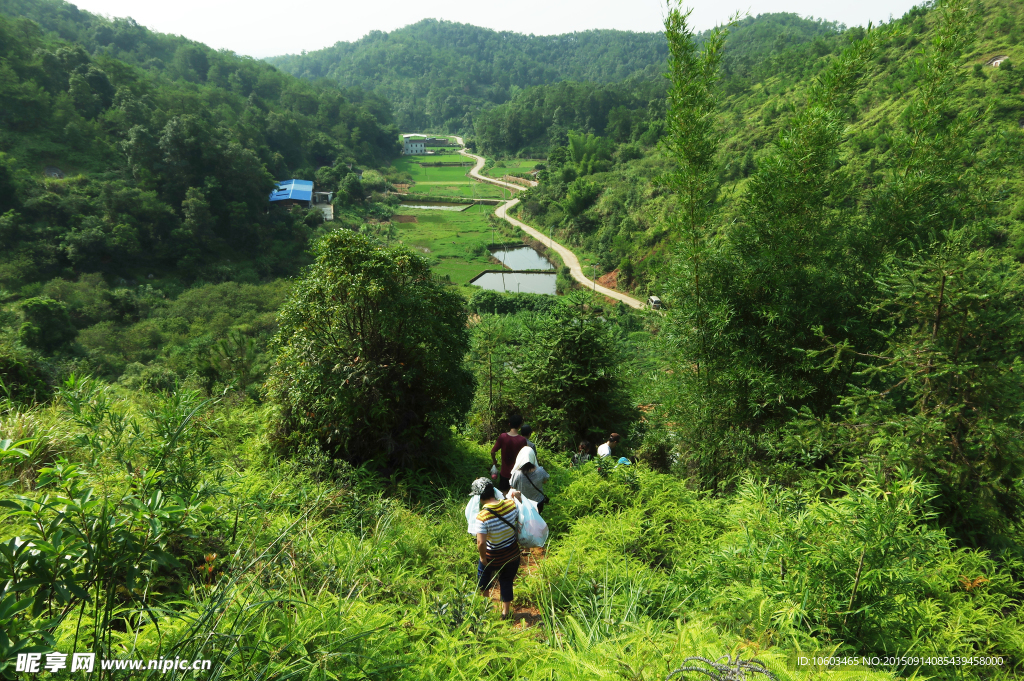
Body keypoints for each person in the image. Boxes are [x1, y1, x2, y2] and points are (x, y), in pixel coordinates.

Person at [469, 477, 522, 619]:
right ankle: (505, 612)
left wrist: (482, 557)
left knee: (484, 578)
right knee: (506, 580)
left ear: (479, 497)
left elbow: (481, 543)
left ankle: (487, 608)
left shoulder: (482, 516)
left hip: (493, 556)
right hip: (512, 553)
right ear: (493, 492)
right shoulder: (511, 505)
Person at [510, 435, 549, 511]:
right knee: (537, 521)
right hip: (538, 503)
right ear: (533, 456)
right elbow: (545, 481)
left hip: (522, 503)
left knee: (523, 522)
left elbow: (512, 487)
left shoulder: (517, 474)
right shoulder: (540, 471)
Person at [490, 415, 527, 493]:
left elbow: (493, 451)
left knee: (504, 496)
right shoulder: (522, 440)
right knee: (515, 498)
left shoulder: (503, 437)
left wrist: (494, 461)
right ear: (520, 426)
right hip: (517, 474)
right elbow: (525, 457)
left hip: (504, 473)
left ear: (509, 424)